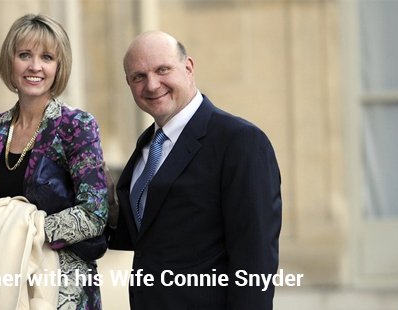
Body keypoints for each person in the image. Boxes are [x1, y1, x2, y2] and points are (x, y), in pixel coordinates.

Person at [107, 31, 282, 309]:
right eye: (138, 77)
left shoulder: (239, 141)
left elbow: (255, 257)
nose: (152, 85)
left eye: (162, 70)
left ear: (188, 67)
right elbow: (148, 235)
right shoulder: (147, 145)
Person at [0, 14, 108, 309]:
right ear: (11, 62)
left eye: (46, 57)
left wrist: (27, 230)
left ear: (59, 67)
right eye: (24, 55)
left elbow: (95, 213)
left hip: (61, 289)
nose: (35, 66)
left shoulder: (77, 125)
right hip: (2, 283)